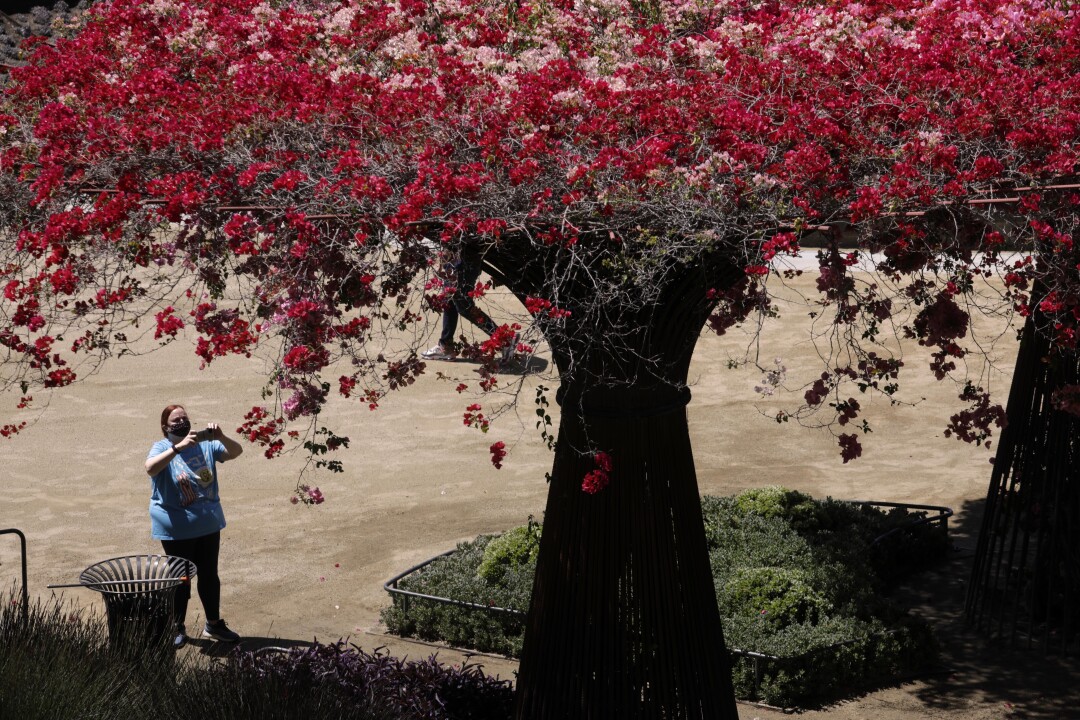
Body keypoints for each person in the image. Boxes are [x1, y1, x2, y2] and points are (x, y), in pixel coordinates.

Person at [144, 404, 244, 648]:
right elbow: (150, 468)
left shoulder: (206, 444)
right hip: (176, 529)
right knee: (181, 579)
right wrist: (177, 449)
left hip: (208, 524)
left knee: (210, 576)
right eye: (176, 420)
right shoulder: (162, 447)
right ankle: (176, 627)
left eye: (184, 417)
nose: (181, 422)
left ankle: (213, 624)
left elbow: (236, 451)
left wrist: (221, 436)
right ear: (165, 427)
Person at [422, 245, 516, 363]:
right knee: (449, 300)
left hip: (464, 260)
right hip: (456, 258)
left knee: (464, 306)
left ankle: (504, 339)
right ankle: (445, 346)